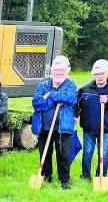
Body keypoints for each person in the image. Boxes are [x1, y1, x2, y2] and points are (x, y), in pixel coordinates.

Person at [31, 55, 77, 189]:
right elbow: (37, 103)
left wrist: (50, 95)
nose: (59, 73)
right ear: (51, 72)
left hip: (63, 128)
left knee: (63, 155)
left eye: (62, 70)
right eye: (56, 70)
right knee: (44, 154)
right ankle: (46, 177)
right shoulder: (43, 85)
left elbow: (70, 98)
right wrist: (56, 100)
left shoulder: (70, 84)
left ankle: (64, 181)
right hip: (44, 127)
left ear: (67, 71)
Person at [74, 59, 108, 181]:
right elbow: (75, 105)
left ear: (107, 73)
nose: (100, 76)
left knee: (103, 154)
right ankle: (85, 176)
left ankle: (101, 175)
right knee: (87, 153)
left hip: (106, 128)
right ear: (93, 74)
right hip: (89, 128)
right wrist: (75, 115)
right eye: (97, 74)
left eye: (102, 73)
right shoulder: (85, 89)